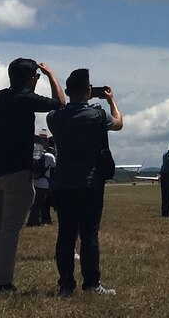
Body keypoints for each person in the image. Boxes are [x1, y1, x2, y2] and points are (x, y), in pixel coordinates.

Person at [0, 58, 64, 296]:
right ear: (32, 78)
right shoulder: (26, 98)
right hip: (16, 172)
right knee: (9, 230)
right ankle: (3, 282)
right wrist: (51, 75)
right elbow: (60, 103)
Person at [47, 68, 123, 296]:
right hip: (91, 183)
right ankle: (91, 284)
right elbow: (118, 123)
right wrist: (111, 100)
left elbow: (57, 106)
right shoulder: (99, 116)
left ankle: (65, 286)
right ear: (89, 91)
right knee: (90, 234)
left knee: (66, 234)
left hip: (63, 183)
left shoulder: (54, 118)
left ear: (68, 91)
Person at [27, 139, 56, 226]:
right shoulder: (49, 156)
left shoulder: (35, 155)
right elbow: (54, 165)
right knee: (39, 204)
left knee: (34, 203)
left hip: (33, 181)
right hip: (43, 183)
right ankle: (34, 221)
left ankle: (35, 219)